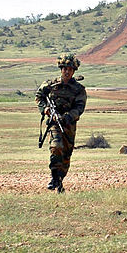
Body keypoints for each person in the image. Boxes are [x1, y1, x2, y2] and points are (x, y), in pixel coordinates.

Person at [35, 54, 87, 193]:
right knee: (56, 147)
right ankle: (54, 177)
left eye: (70, 69)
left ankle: (59, 180)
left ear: (74, 71)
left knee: (66, 155)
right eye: (65, 69)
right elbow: (39, 96)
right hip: (54, 123)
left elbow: (80, 107)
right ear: (61, 69)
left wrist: (69, 116)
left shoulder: (78, 89)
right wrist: (45, 109)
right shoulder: (51, 85)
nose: (67, 71)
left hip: (69, 125)